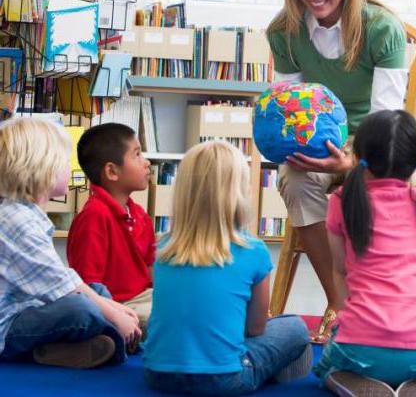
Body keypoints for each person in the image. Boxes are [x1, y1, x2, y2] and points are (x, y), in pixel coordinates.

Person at [267, 0, 408, 342]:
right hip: (318, 139)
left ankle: (376, 303)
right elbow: (286, 108)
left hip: (374, 142)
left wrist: (352, 161)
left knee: (379, 187)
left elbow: (388, 120)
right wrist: (294, 146)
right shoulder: (285, 32)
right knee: (294, 179)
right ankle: (343, 305)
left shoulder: (382, 28)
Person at [143, 141, 311, 395]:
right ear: (239, 193)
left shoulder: (163, 247)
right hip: (223, 379)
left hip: (158, 374)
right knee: (295, 327)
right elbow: (255, 329)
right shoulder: (253, 250)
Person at [313, 110, 416, 396]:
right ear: (415, 158)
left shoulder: (341, 201)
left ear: (358, 154)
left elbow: (340, 271)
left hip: (361, 346)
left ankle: (348, 378)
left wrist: (341, 316)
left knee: (325, 364)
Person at [0, 118, 140, 368]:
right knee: (81, 309)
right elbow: (66, 287)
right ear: (42, 167)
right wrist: (116, 314)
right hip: (9, 327)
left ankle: (67, 349)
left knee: (97, 291)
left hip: (30, 306)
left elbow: (65, 280)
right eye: (64, 161)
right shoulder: (14, 219)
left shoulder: (28, 213)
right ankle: (112, 338)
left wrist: (113, 307)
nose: (69, 167)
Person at [68, 123, 155, 328]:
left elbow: (151, 270)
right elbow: (89, 287)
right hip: (115, 306)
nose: (147, 162)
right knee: (169, 321)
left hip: (145, 299)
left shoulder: (140, 215)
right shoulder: (93, 217)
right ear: (112, 171)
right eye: (137, 154)